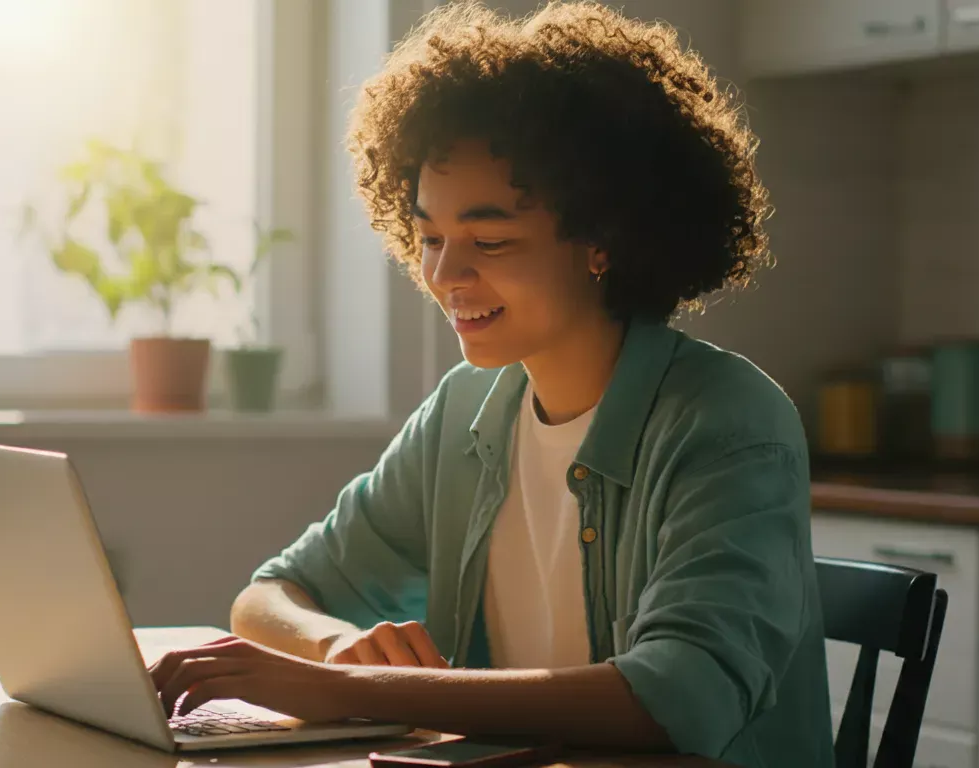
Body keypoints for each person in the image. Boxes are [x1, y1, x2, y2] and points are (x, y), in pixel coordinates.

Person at [149, 2, 834, 764]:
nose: (442, 276)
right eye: (430, 237)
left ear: (604, 239)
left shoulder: (728, 422)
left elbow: (675, 699)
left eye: (491, 239)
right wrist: (338, 648)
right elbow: (270, 596)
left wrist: (346, 693)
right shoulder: (467, 411)